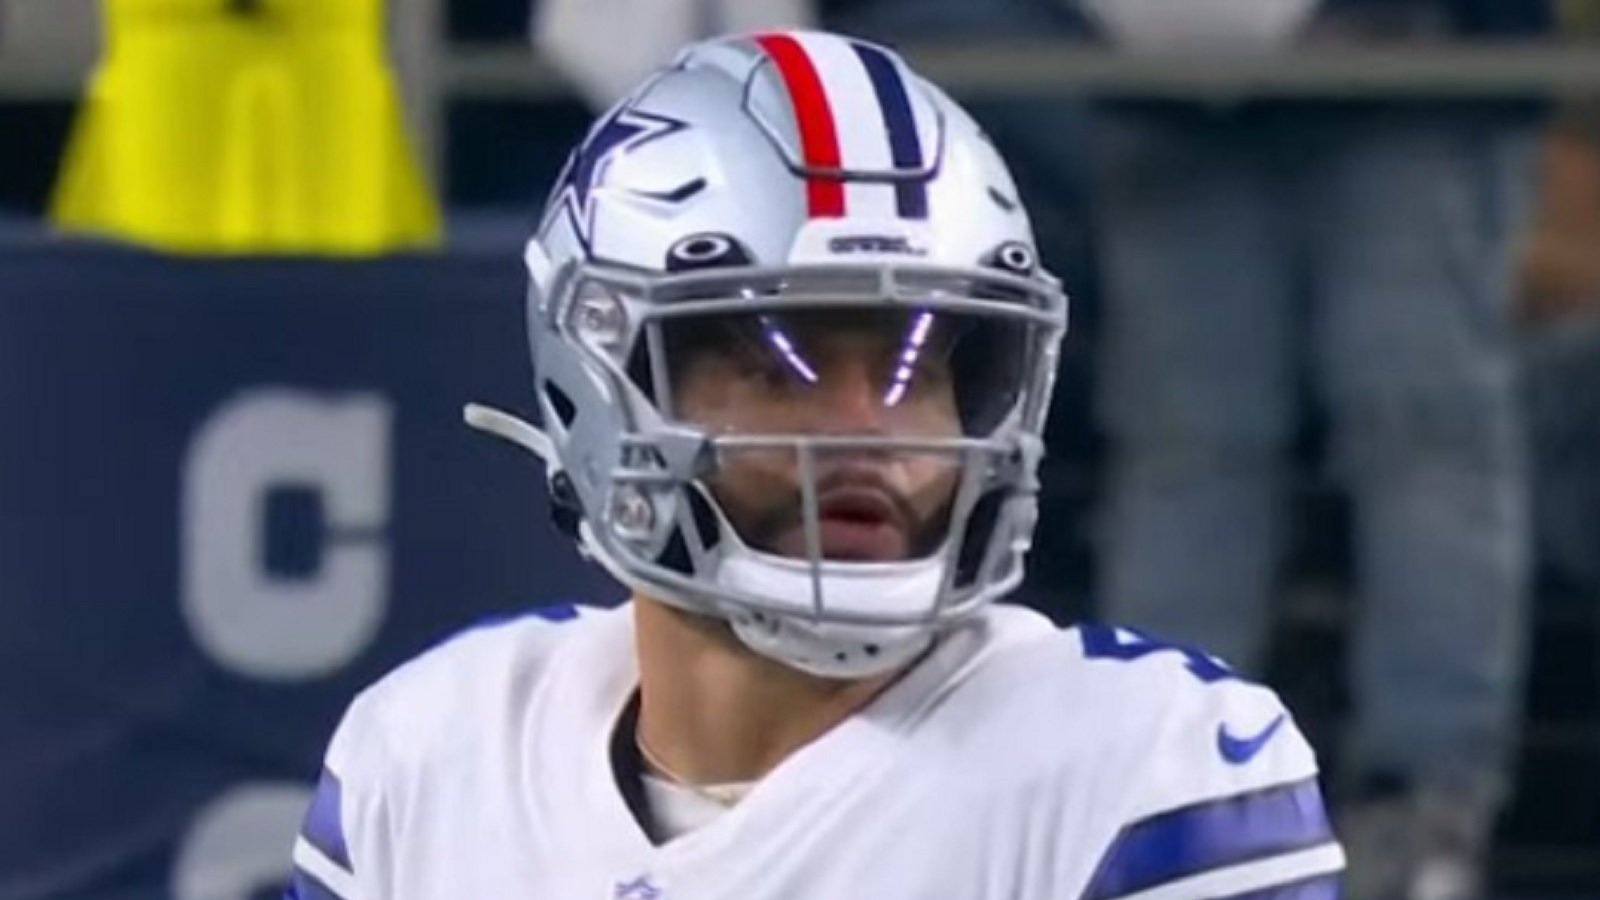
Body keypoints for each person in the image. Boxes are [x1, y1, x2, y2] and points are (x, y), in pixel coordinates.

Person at [283, 30, 1344, 900]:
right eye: (774, 362)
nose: (868, 427)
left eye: (917, 366)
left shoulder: (1143, 770)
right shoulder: (433, 756)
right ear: (597, 378)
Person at [1086, 3, 1551, 898]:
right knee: (1189, 456)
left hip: (1420, 71)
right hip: (1170, 81)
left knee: (1421, 440)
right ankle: (1163, 793)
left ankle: (1425, 813)